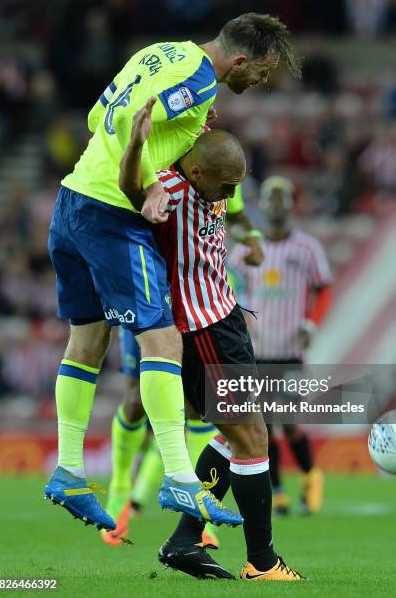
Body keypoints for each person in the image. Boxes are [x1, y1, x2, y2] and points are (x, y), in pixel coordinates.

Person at [44, 13, 300, 532]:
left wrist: (148, 160)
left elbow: (98, 117)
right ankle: (181, 478)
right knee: (163, 342)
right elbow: (128, 123)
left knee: (87, 343)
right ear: (241, 60)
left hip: (71, 200)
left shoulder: (159, 52)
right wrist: (147, 181)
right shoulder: (201, 80)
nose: (261, 84)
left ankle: (69, 468)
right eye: (263, 73)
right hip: (111, 213)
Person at [117, 99, 305, 581]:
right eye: (226, 185)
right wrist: (137, 144)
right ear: (196, 170)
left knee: (234, 434)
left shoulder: (210, 181)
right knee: (251, 435)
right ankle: (262, 562)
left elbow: (225, 197)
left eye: (237, 184)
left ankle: (184, 540)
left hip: (225, 320)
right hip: (200, 330)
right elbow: (131, 190)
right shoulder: (172, 191)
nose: (232, 193)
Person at [103, 183, 264, 547]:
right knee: (135, 401)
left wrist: (251, 236)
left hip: (196, 310)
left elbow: (235, 216)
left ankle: (198, 518)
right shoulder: (159, 170)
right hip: (149, 298)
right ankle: (120, 489)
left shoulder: (215, 172)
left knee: (202, 410)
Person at [229, 176, 333, 515]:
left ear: (290, 204)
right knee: (263, 423)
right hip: (255, 349)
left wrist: (310, 324)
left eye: (281, 196)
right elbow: (226, 283)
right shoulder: (245, 250)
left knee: (287, 418)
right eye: (270, 197)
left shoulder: (307, 249)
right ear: (261, 205)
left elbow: (324, 289)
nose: (275, 202)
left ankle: (310, 476)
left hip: (290, 349)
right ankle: (277, 490)